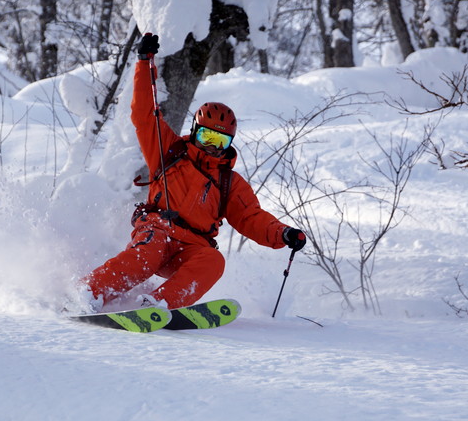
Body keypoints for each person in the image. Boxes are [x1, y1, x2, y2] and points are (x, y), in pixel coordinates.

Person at [80, 33, 306, 311]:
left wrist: (283, 233)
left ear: (229, 144)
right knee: (147, 255)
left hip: (191, 247)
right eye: (207, 138)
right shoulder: (169, 152)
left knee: (213, 261)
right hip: (157, 230)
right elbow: (143, 114)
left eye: (220, 142)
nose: (212, 147)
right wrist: (143, 63)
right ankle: (91, 292)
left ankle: (158, 305)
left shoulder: (228, 182)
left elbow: (251, 217)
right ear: (195, 132)